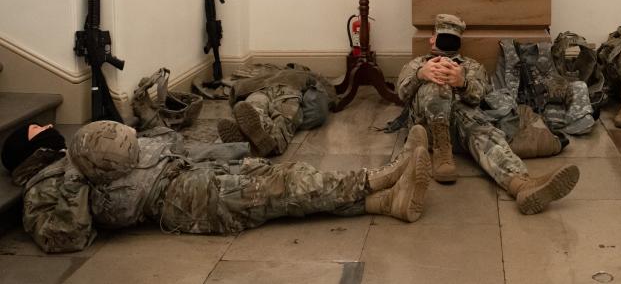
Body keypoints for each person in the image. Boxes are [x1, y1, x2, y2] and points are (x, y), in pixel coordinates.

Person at [1, 120, 432, 254]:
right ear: (30, 152)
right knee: (284, 188)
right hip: (184, 201)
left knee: (283, 183)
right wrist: (75, 176)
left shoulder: (69, 158)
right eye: (41, 130)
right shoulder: (46, 187)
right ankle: (378, 178)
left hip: (186, 174)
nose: (52, 128)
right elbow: (66, 238)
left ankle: (385, 200)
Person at [395, 13, 579, 214]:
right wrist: (422, 74)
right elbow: (402, 93)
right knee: (437, 87)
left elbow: (479, 95)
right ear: (432, 38)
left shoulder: (471, 66)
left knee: (483, 130)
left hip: (462, 127)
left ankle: (521, 185)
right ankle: (442, 154)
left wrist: (462, 82)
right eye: (442, 35)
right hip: (426, 129)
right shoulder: (417, 63)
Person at [214, 63, 336, 156]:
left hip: (268, 92)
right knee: (264, 114)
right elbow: (326, 88)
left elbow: (324, 88)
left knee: (262, 110)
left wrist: (233, 99)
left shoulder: (305, 75)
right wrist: (333, 101)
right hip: (282, 93)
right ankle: (265, 141)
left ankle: (254, 143)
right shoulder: (297, 74)